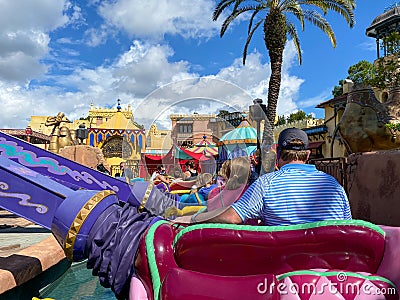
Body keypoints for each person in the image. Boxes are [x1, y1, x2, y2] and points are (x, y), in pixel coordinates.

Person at [175, 127, 352, 226]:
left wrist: (192, 219)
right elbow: (347, 227)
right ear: (307, 155)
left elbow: (232, 217)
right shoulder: (334, 185)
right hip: (329, 269)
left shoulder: (266, 184)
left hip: (284, 271)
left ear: (278, 155)